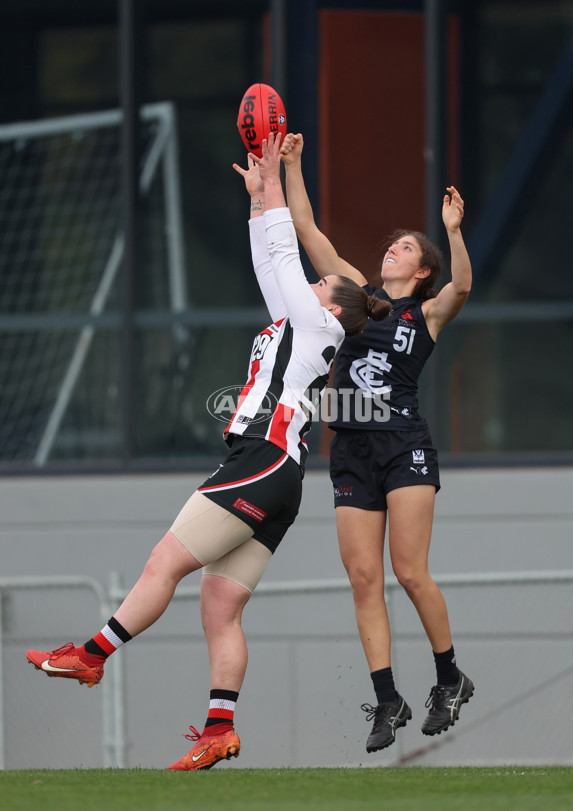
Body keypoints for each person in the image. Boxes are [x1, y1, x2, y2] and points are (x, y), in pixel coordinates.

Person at [25, 132, 390, 771]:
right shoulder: (304, 320)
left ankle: (92, 654)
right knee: (220, 608)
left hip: (262, 460)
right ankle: (220, 728)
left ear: (332, 302)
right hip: (280, 475)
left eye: (323, 279)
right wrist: (258, 199)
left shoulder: (317, 319)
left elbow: (283, 254)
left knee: (163, 562)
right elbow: (270, 263)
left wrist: (273, 176)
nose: (314, 278)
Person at [280, 132, 474, 753]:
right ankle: (387, 697)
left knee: (409, 572)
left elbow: (463, 287)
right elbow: (308, 228)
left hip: (405, 446)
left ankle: (450, 678)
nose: (393, 248)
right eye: (392, 243)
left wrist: (452, 230)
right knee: (364, 577)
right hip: (353, 451)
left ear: (420, 270)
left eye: (406, 247)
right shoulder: (357, 298)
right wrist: (292, 165)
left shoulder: (426, 313)